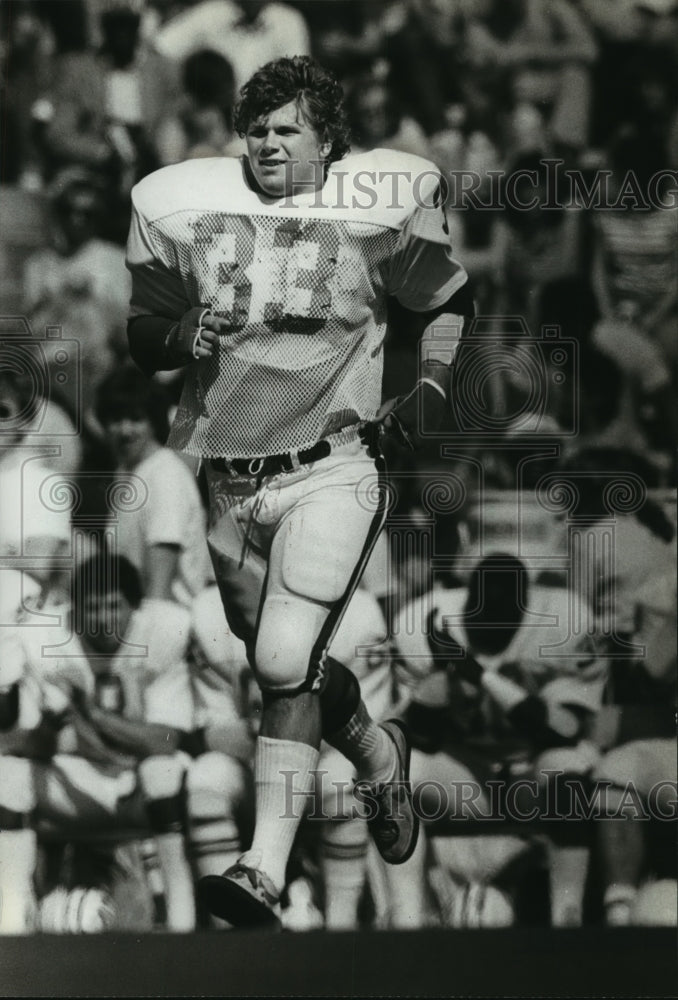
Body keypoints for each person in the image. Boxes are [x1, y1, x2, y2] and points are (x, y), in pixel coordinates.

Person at [126, 55, 472, 928]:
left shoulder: (374, 213)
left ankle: (263, 871)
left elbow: (449, 299)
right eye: (258, 128)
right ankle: (374, 754)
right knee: (282, 660)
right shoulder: (190, 207)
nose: (269, 143)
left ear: (328, 141)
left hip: (332, 464)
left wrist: (429, 388)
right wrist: (178, 330)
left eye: (288, 130)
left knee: (283, 658)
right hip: (223, 473)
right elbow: (140, 334)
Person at [0, 554, 247, 933]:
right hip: (79, 784)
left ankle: (180, 918)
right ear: (73, 609)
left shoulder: (164, 631)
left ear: (135, 605)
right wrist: (50, 727)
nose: (102, 619)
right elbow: (25, 746)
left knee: (163, 769)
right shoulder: (46, 640)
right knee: (8, 775)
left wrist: (91, 712)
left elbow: (167, 741)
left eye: (113, 606)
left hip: (138, 790)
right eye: (92, 608)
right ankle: (10, 918)